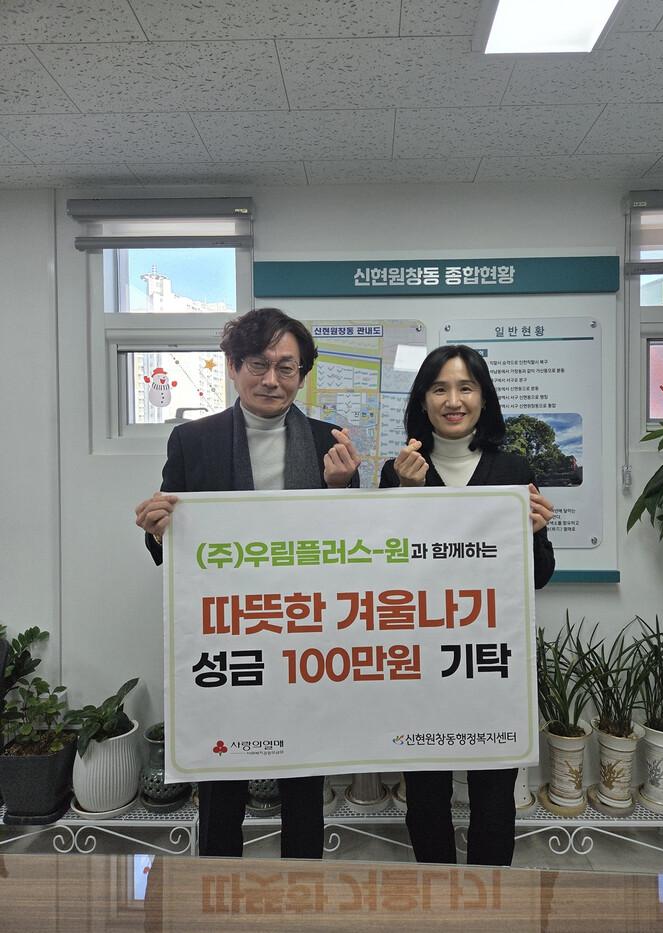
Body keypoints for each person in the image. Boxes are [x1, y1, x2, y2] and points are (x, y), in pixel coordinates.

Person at [135, 307, 361, 858]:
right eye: (258, 364)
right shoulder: (194, 440)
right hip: (227, 635)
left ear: (302, 374)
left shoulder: (327, 442)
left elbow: (351, 551)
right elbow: (171, 545)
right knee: (222, 776)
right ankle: (216, 882)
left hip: (305, 635)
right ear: (234, 367)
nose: (272, 380)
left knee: (303, 775)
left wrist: (341, 489)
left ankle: (302, 885)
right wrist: (156, 527)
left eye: (287, 367)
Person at [379, 344, 555, 867]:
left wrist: (534, 532)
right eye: (439, 388)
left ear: (483, 398)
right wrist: (405, 495)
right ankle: (436, 896)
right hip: (421, 660)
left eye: (465, 388)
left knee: (494, 795)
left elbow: (538, 576)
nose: (453, 401)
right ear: (423, 399)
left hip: (490, 661)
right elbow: (382, 578)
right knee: (425, 793)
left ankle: (491, 899)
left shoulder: (513, 468)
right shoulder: (397, 471)